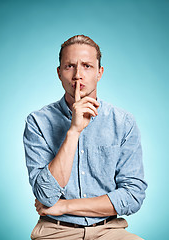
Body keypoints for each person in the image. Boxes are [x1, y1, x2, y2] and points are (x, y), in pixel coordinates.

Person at [23, 35, 147, 240]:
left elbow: (133, 196)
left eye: (87, 66)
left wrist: (64, 206)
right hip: (56, 231)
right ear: (59, 73)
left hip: (110, 230)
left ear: (100, 73)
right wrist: (73, 131)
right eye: (69, 66)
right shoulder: (38, 122)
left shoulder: (123, 122)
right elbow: (46, 195)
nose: (78, 75)